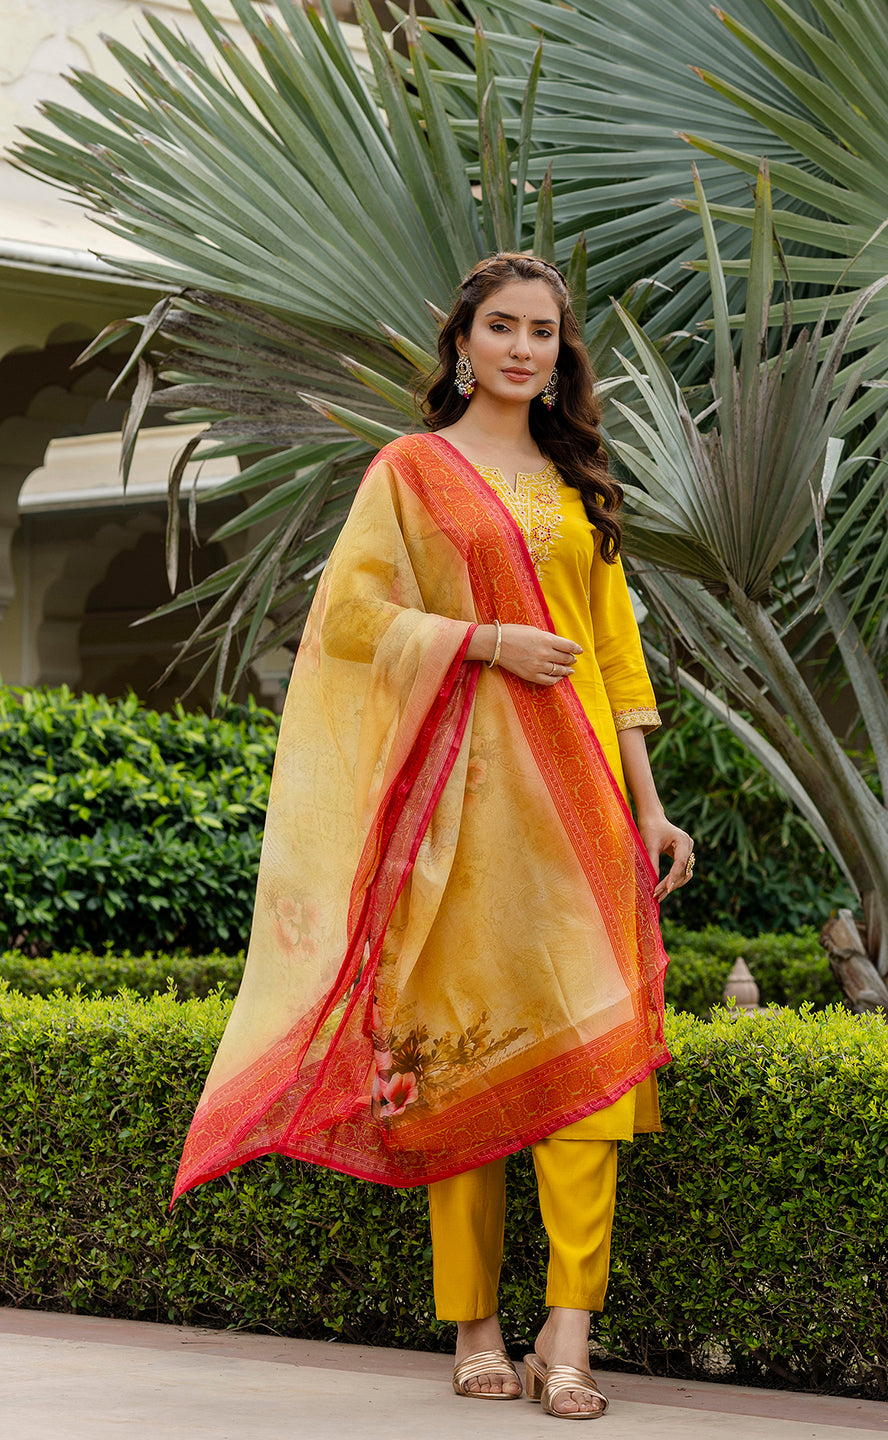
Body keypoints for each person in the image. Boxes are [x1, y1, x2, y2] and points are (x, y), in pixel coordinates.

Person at [172, 252, 693, 1421]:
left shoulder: (578, 482)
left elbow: (616, 657)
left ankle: (571, 1328)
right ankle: (474, 1324)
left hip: (582, 811)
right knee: (459, 1065)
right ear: (463, 342)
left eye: (543, 332)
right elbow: (350, 615)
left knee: (591, 1071)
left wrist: (648, 802)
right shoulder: (414, 469)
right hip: (455, 816)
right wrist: (481, 642)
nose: (522, 348)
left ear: (564, 353)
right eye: (501, 327)